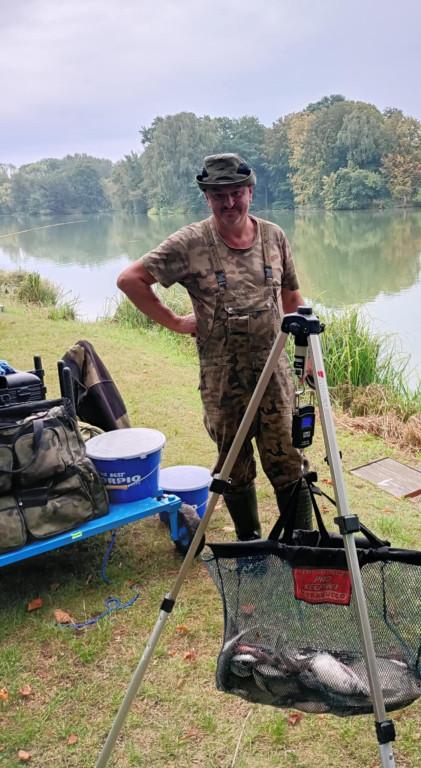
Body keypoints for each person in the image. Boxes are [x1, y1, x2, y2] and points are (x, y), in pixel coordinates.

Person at [117, 153, 312, 540]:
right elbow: (130, 280)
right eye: (218, 195)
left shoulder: (274, 236)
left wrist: (309, 350)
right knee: (234, 466)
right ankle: (251, 547)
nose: (229, 203)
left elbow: (292, 298)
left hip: (276, 376)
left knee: (289, 460)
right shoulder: (189, 243)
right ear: (207, 197)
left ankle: (304, 548)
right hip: (224, 382)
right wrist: (175, 322)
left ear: (250, 192)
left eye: (236, 193)